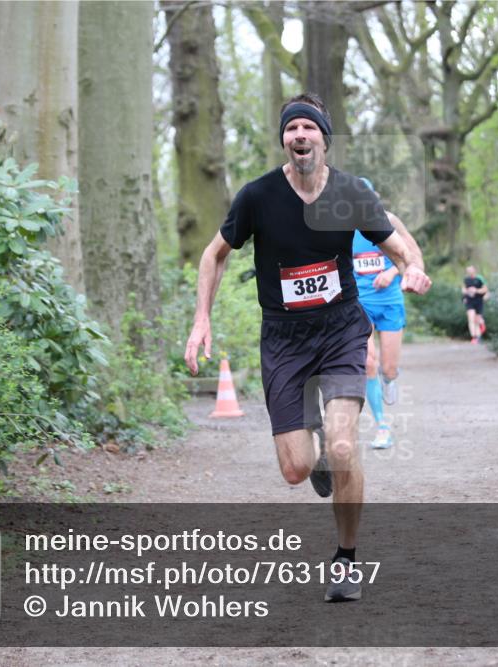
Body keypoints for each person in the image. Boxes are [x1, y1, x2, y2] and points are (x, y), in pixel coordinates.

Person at [184, 93, 431, 602]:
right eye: (292, 128)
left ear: (323, 138)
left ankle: (346, 561)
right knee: (297, 469)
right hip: (284, 340)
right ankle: (313, 449)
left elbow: (395, 242)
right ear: (284, 140)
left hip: (341, 329)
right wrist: (200, 319)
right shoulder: (258, 197)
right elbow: (214, 255)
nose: (300, 135)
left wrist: (412, 265)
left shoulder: (350, 193)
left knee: (344, 447)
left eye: (309, 128)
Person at [352, 178, 424, 449]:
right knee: (368, 362)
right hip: (359, 304)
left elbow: (411, 255)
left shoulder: (389, 221)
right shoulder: (342, 228)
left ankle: (390, 377)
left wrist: (393, 272)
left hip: (390, 301)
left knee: (387, 368)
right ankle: (382, 426)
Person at [462, 265, 488, 344]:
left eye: (470, 270)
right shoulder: (466, 280)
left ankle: (479, 334)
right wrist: (466, 293)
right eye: (468, 270)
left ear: (474, 270)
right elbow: (463, 290)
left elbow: (485, 289)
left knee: (476, 320)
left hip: (478, 301)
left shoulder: (480, 278)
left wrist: (476, 290)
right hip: (470, 301)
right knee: (471, 318)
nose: (469, 271)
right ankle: (474, 337)